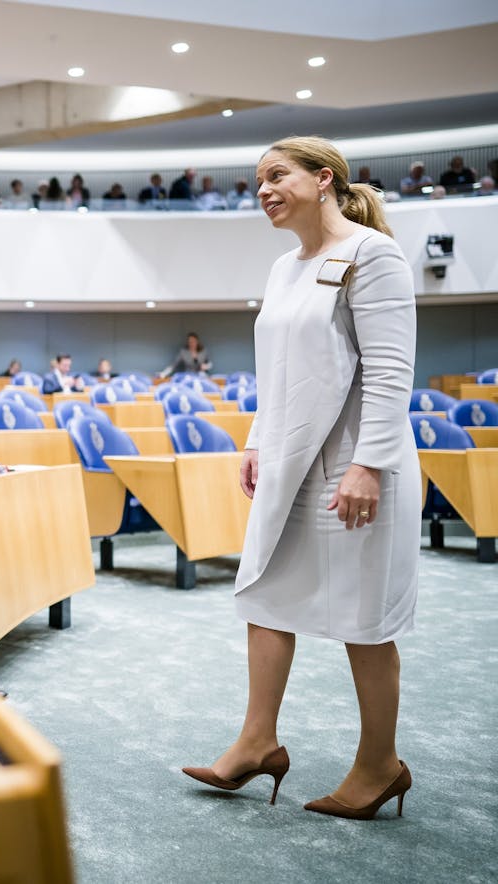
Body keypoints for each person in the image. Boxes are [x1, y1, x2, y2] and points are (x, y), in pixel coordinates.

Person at [183, 135, 418, 821]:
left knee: (362, 619)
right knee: (263, 597)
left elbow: (389, 372)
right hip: (290, 462)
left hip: (354, 464)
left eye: (276, 176)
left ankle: (381, 764)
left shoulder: (373, 257)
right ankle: (258, 742)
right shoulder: (286, 268)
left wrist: (368, 466)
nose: (263, 189)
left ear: (324, 180)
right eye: (257, 180)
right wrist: (257, 439)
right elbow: (278, 371)